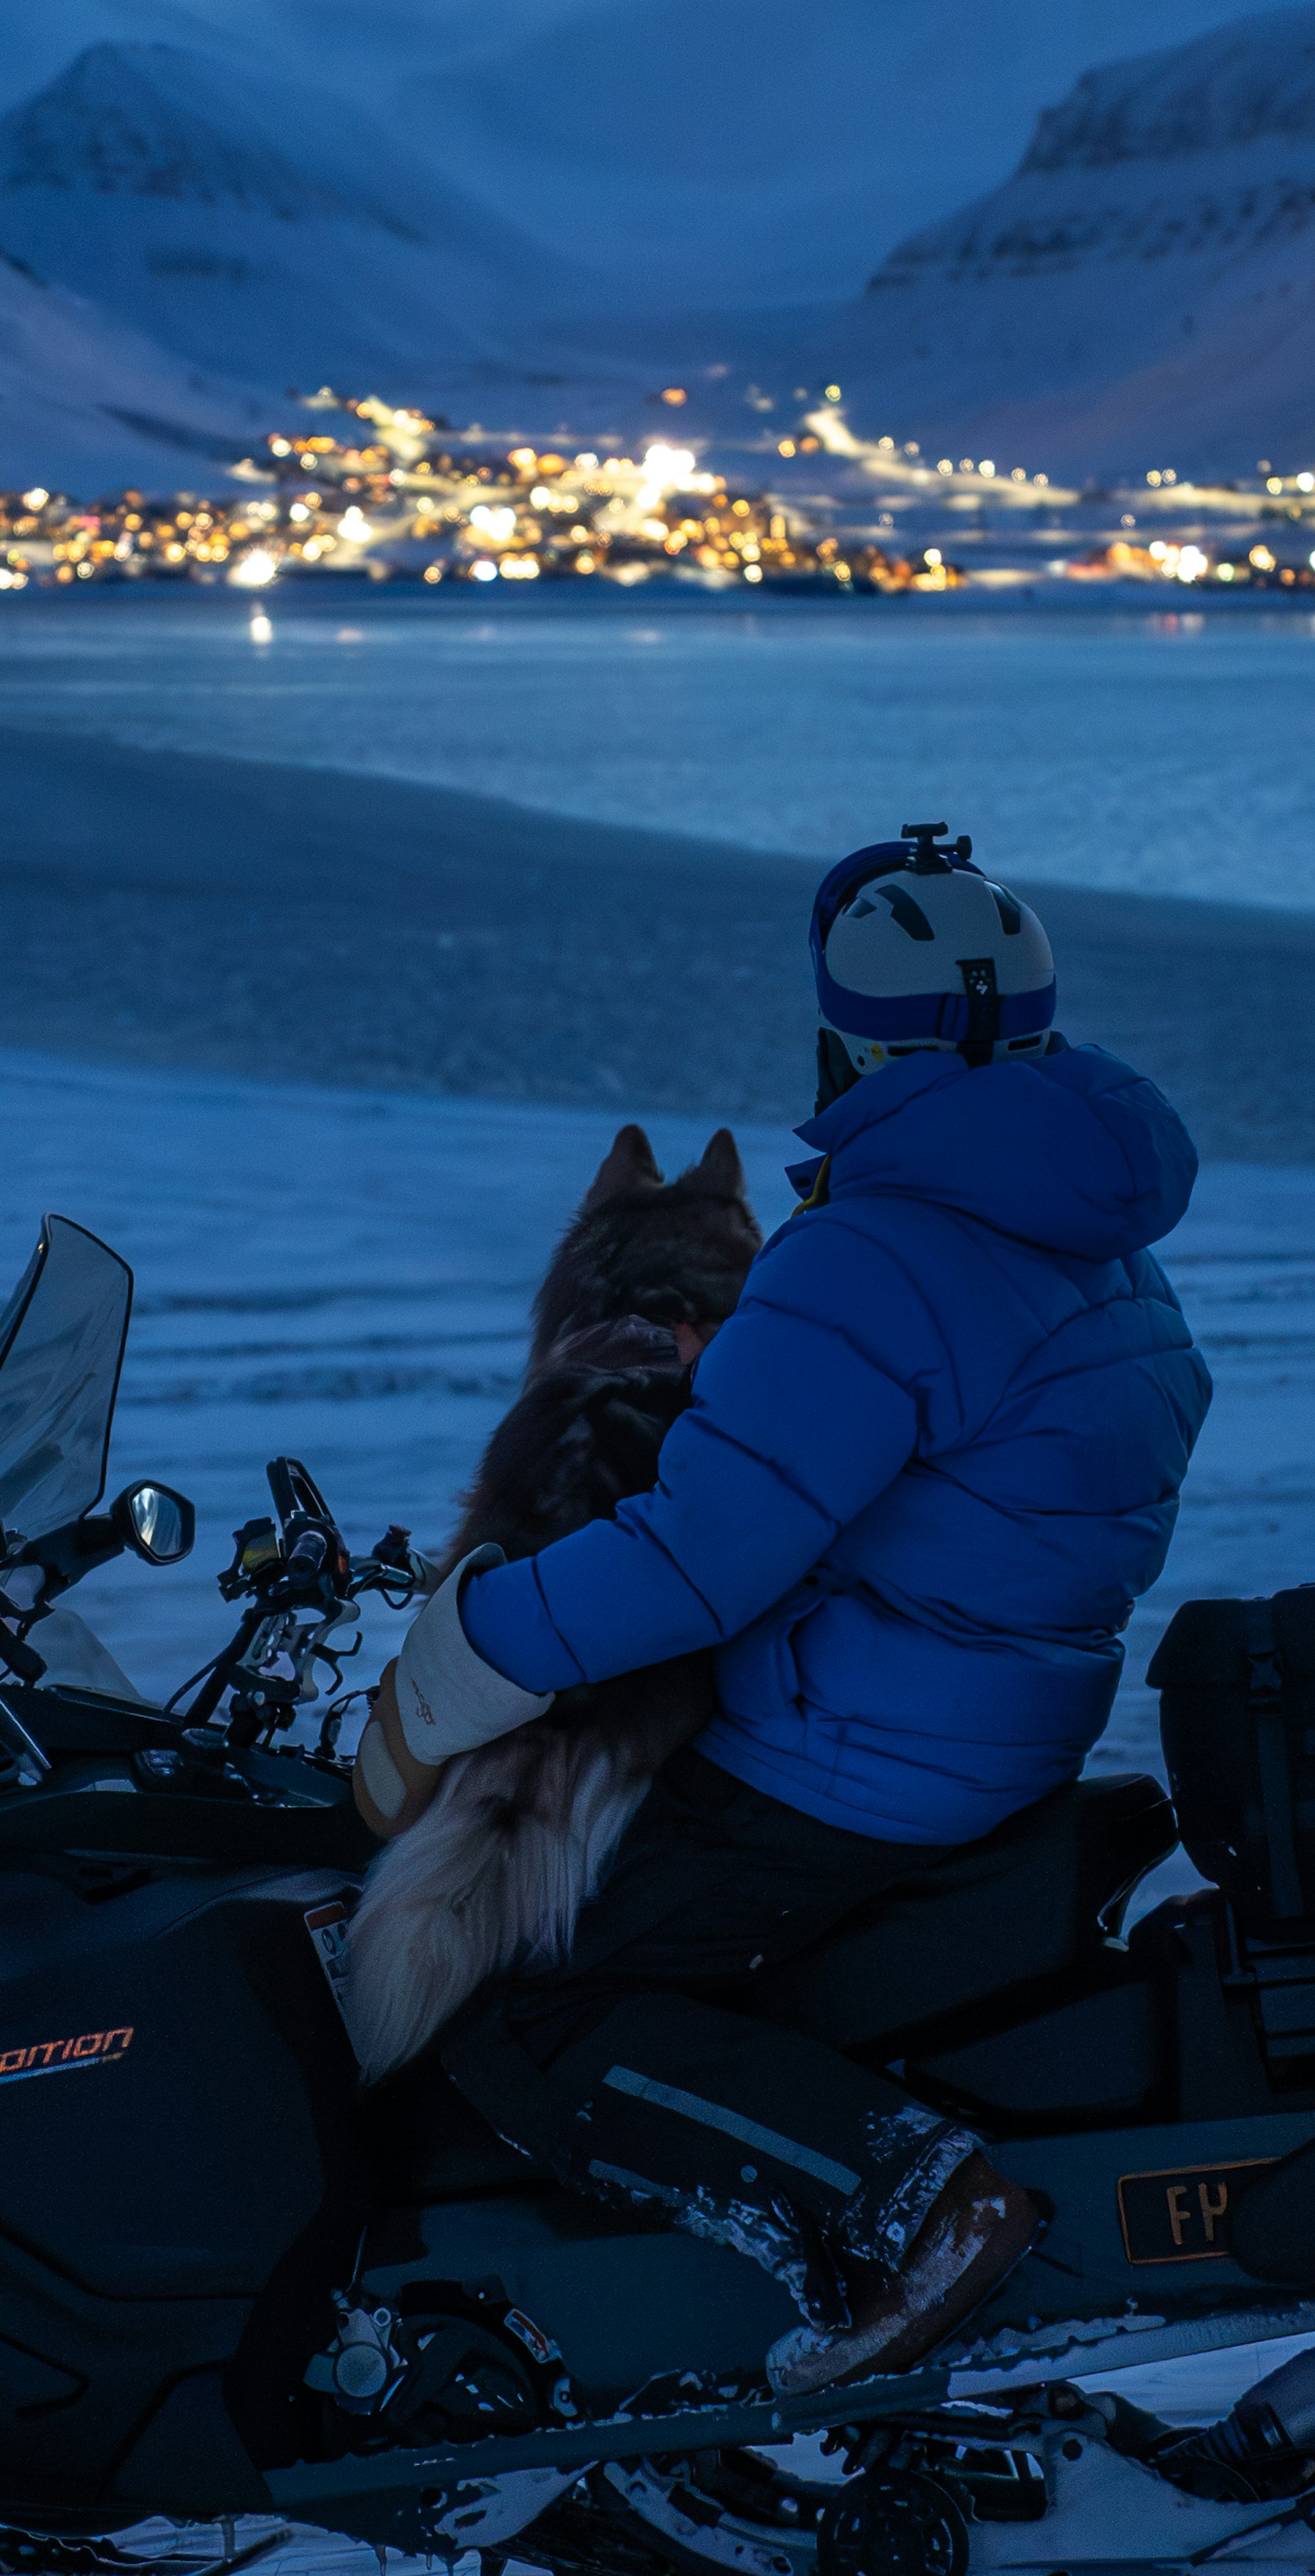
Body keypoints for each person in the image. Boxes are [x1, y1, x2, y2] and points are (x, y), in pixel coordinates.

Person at [363, 825, 1211, 2396]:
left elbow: (700, 1554)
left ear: (844, 1039)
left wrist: (471, 1646)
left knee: (524, 2001)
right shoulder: (1095, 1232)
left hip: (863, 1755)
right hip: (988, 1716)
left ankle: (911, 2204)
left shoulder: (871, 1253)